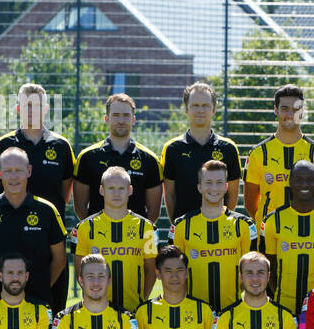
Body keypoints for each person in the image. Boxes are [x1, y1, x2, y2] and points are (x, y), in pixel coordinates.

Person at [0, 146, 67, 306]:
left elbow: (60, 259)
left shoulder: (47, 211)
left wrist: (40, 287)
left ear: (29, 171)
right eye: (8, 171)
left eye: (19, 170)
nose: (14, 176)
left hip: (37, 305)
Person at [169, 160, 256, 314]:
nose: (214, 188)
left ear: (226, 186)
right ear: (199, 187)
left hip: (233, 313)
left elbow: (253, 269)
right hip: (193, 314)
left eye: (219, 182)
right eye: (208, 182)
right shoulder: (181, 225)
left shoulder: (244, 225)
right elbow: (172, 270)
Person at [243, 84, 314, 234]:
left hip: (308, 235)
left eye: (296, 109)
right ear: (276, 110)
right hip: (268, 235)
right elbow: (251, 204)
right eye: (284, 109)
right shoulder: (258, 153)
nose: (290, 114)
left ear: (302, 111)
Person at [263, 160, 314, 317]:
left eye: (310, 179)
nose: (304, 184)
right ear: (290, 181)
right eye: (299, 179)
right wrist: (278, 293)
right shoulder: (273, 220)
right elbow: (268, 266)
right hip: (283, 306)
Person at [74, 166, 158, 313]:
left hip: (134, 310)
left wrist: (141, 302)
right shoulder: (85, 227)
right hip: (97, 311)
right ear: (101, 190)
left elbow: (151, 270)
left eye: (121, 188)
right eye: (111, 188)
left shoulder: (146, 228)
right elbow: (79, 271)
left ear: (130, 190)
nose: (116, 193)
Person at [73, 93, 163, 221]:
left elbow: (154, 210)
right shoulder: (87, 157)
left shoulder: (150, 160)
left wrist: (139, 232)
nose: (121, 120)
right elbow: (80, 207)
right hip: (98, 237)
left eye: (126, 115)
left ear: (133, 119)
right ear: (106, 119)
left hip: (135, 237)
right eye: (115, 115)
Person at [160, 81, 242, 220]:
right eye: (195, 106)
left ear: (214, 109)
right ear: (186, 109)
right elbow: (170, 195)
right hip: (184, 231)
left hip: (220, 229)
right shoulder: (172, 148)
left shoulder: (229, 148)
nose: (200, 110)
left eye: (205, 105)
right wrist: (177, 224)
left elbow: (232, 195)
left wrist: (222, 221)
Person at [51, 254, 141, 329]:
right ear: (80, 281)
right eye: (90, 277)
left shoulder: (126, 319)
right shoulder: (64, 319)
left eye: (101, 276)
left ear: (109, 281)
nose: (96, 283)